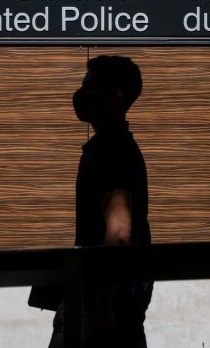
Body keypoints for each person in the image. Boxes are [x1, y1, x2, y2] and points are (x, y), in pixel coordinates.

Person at [48, 55, 153, 348]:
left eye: (90, 85)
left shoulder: (112, 152)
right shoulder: (113, 147)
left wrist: (103, 309)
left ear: (115, 94)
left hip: (97, 304)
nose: (83, 93)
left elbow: (119, 231)